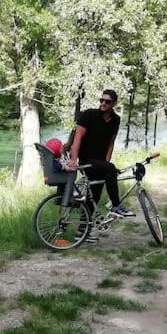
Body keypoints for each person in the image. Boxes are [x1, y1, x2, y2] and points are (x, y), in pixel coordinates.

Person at [65, 90, 136, 239]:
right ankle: (116, 206)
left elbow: (111, 143)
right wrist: (73, 158)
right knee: (109, 171)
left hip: (100, 162)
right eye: (101, 100)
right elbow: (77, 138)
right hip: (87, 161)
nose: (103, 103)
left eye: (107, 102)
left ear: (114, 104)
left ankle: (82, 232)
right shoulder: (89, 115)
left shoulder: (115, 120)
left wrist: (106, 164)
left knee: (94, 197)